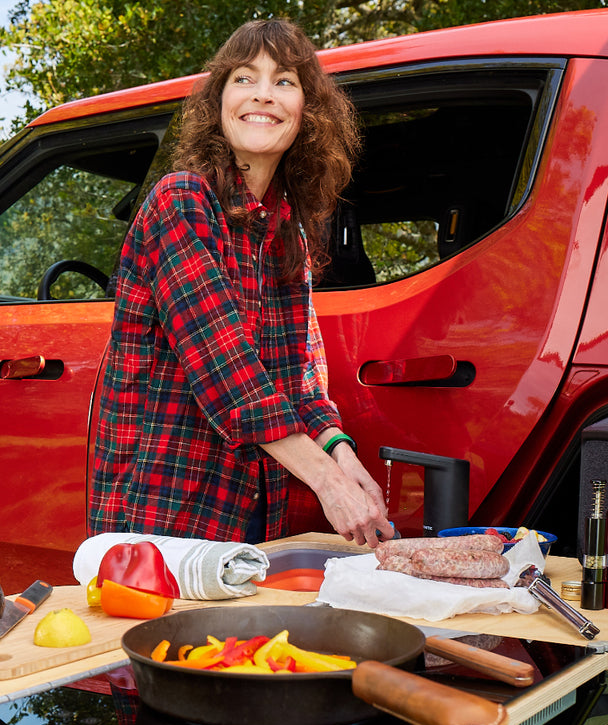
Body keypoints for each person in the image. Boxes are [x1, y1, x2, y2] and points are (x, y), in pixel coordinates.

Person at [88, 19, 393, 548]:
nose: (264, 95)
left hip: (252, 501)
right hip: (167, 510)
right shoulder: (181, 200)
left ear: (307, 114)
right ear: (219, 102)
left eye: (285, 82)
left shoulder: (284, 230)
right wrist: (326, 481)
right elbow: (227, 369)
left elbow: (298, 374)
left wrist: (344, 455)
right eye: (245, 78)